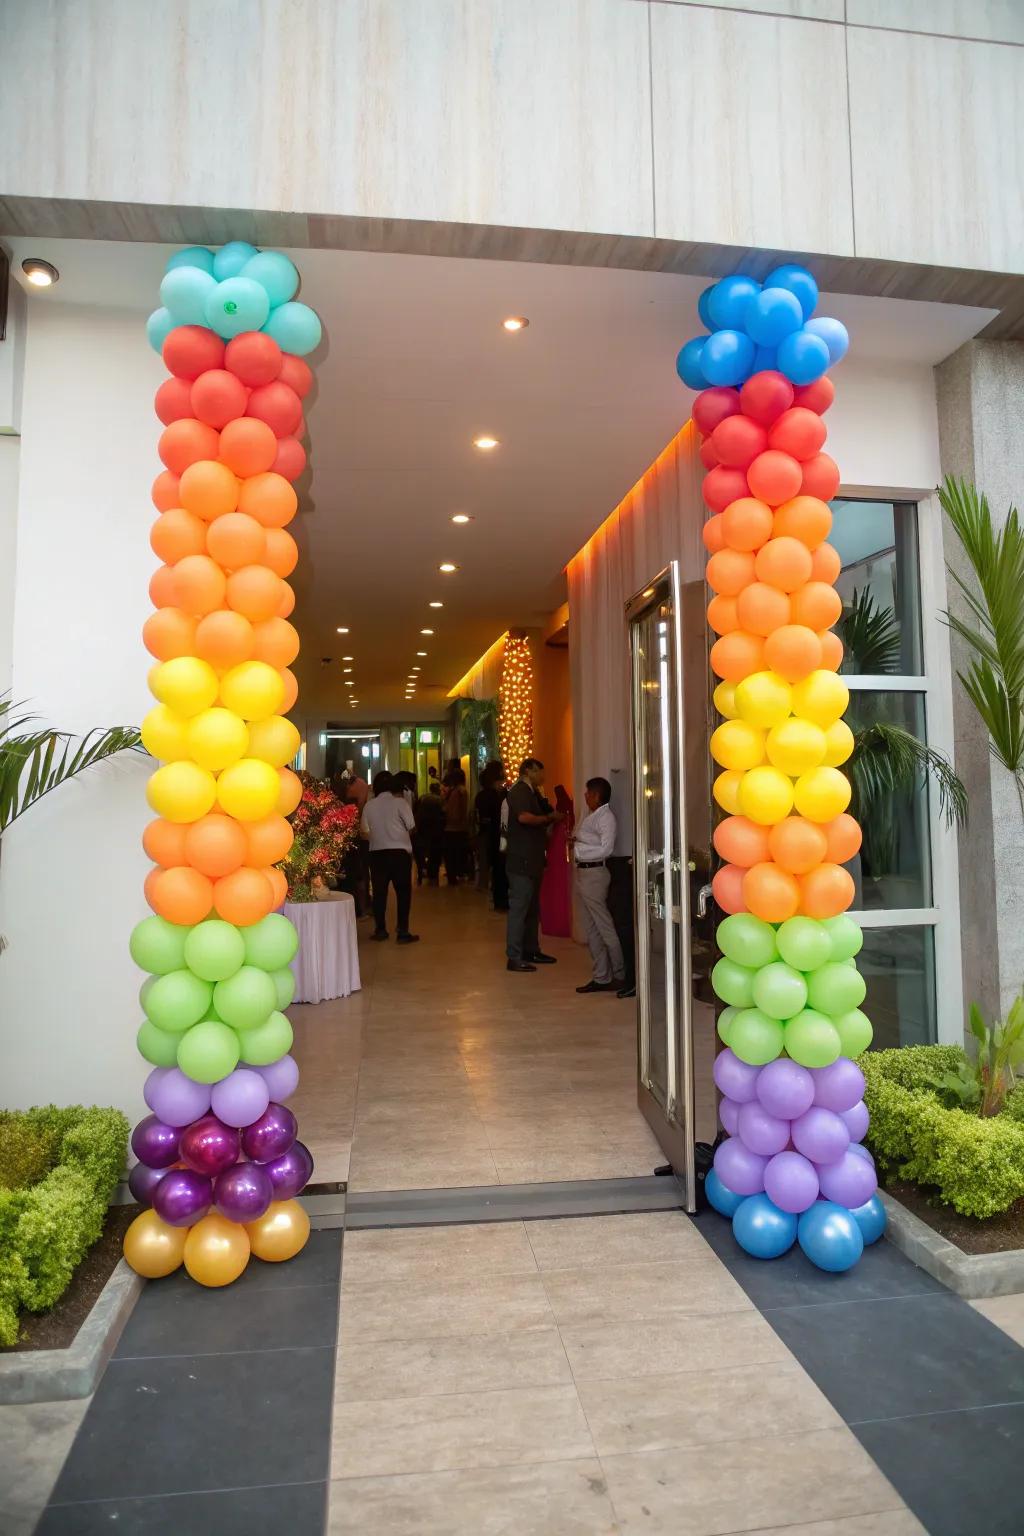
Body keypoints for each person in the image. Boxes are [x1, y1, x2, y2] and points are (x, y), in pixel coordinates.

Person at [505, 757, 562, 972]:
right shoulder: (520, 791)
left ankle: (531, 949)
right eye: (540, 771)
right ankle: (514, 955)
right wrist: (547, 819)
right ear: (529, 771)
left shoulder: (533, 792)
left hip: (533, 859)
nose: (543, 776)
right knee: (520, 908)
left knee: (531, 908)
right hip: (522, 859)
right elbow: (524, 818)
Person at [572, 776, 625, 993]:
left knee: (603, 926)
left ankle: (620, 974)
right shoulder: (593, 815)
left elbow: (606, 849)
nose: (585, 796)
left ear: (596, 795)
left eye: (587, 793)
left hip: (595, 873)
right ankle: (601, 976)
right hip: (584, 873)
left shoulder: (606, 817)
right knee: (592, 928)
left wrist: (579, 850)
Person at [361, 771, 419, 944]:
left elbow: (364, 832)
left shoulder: (369, 806)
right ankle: (403, 932)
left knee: (379, 893)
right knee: (403, 893)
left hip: (377, 853)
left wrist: (379, 835)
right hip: (400, 854)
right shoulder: (400, 803)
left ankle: (380, 930)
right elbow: (412, 826)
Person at [539, 784, 574, 938]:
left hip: (556, 855)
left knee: (555, 886)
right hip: (561, 856)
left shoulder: (559, 823)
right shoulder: (568, 819)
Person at [474, 760, 505, 896]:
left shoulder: (481, 796)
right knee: (497, 858)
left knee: (484, 859)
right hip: (496, 831)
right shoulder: (498, 796)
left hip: (484, 830)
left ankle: (483, 884)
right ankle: (494, 885)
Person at [442, 766, 470, 883]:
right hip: (461, 827)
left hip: (451, 827)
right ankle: (459, 873)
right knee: (459, 853)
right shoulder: (463, 790)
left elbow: (452, 811)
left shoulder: (456, 792)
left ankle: (452, 876)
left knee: (451, 854)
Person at [413, 781, 445, 885]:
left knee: (423, 850)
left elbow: (417, 812)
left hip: (423, 828)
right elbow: (443, 813)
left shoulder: (423, 797)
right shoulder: (440, 800)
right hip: (436, 828)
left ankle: (422, 870)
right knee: (435, 852)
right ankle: (433, 873)